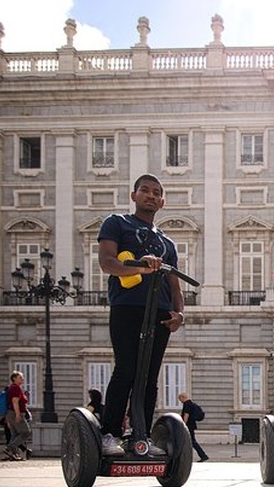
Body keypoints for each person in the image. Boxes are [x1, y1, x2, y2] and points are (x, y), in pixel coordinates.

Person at [97, 173, 185, 456]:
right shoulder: (117, 223)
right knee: (126, 369)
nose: (150, 195)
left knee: (149, 376)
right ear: (134, 195)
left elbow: (175, 285)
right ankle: (110, 433)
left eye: (156, 192)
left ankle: (142, 436)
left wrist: (179, 314)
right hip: (127, 306)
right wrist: (140, 267)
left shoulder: (167, 243)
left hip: (158, 311)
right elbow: (107, 262)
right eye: (145, 190)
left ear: (162, 201)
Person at [3, 371, 31, 461]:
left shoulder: (13, 387)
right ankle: (10, 448)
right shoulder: (15, 388)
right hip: (15, 413)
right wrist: (18, 415)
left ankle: (12, 453)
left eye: (22, 377)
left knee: (15, 434)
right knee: (26, 433)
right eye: (20, 377)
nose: (22, 379)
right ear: (14, 378)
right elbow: (15, 402)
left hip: (10, 413)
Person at [178, 392, 209, 462]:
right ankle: (201, 455)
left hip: (188, 426)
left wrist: (183, 425)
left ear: (182, 397)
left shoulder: (186, 404)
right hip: (191, 425)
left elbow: (186, 415)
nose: (180, 401)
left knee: (192, 441)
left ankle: (203, 455)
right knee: (189, 441)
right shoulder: (191, 403)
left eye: (180, 399)